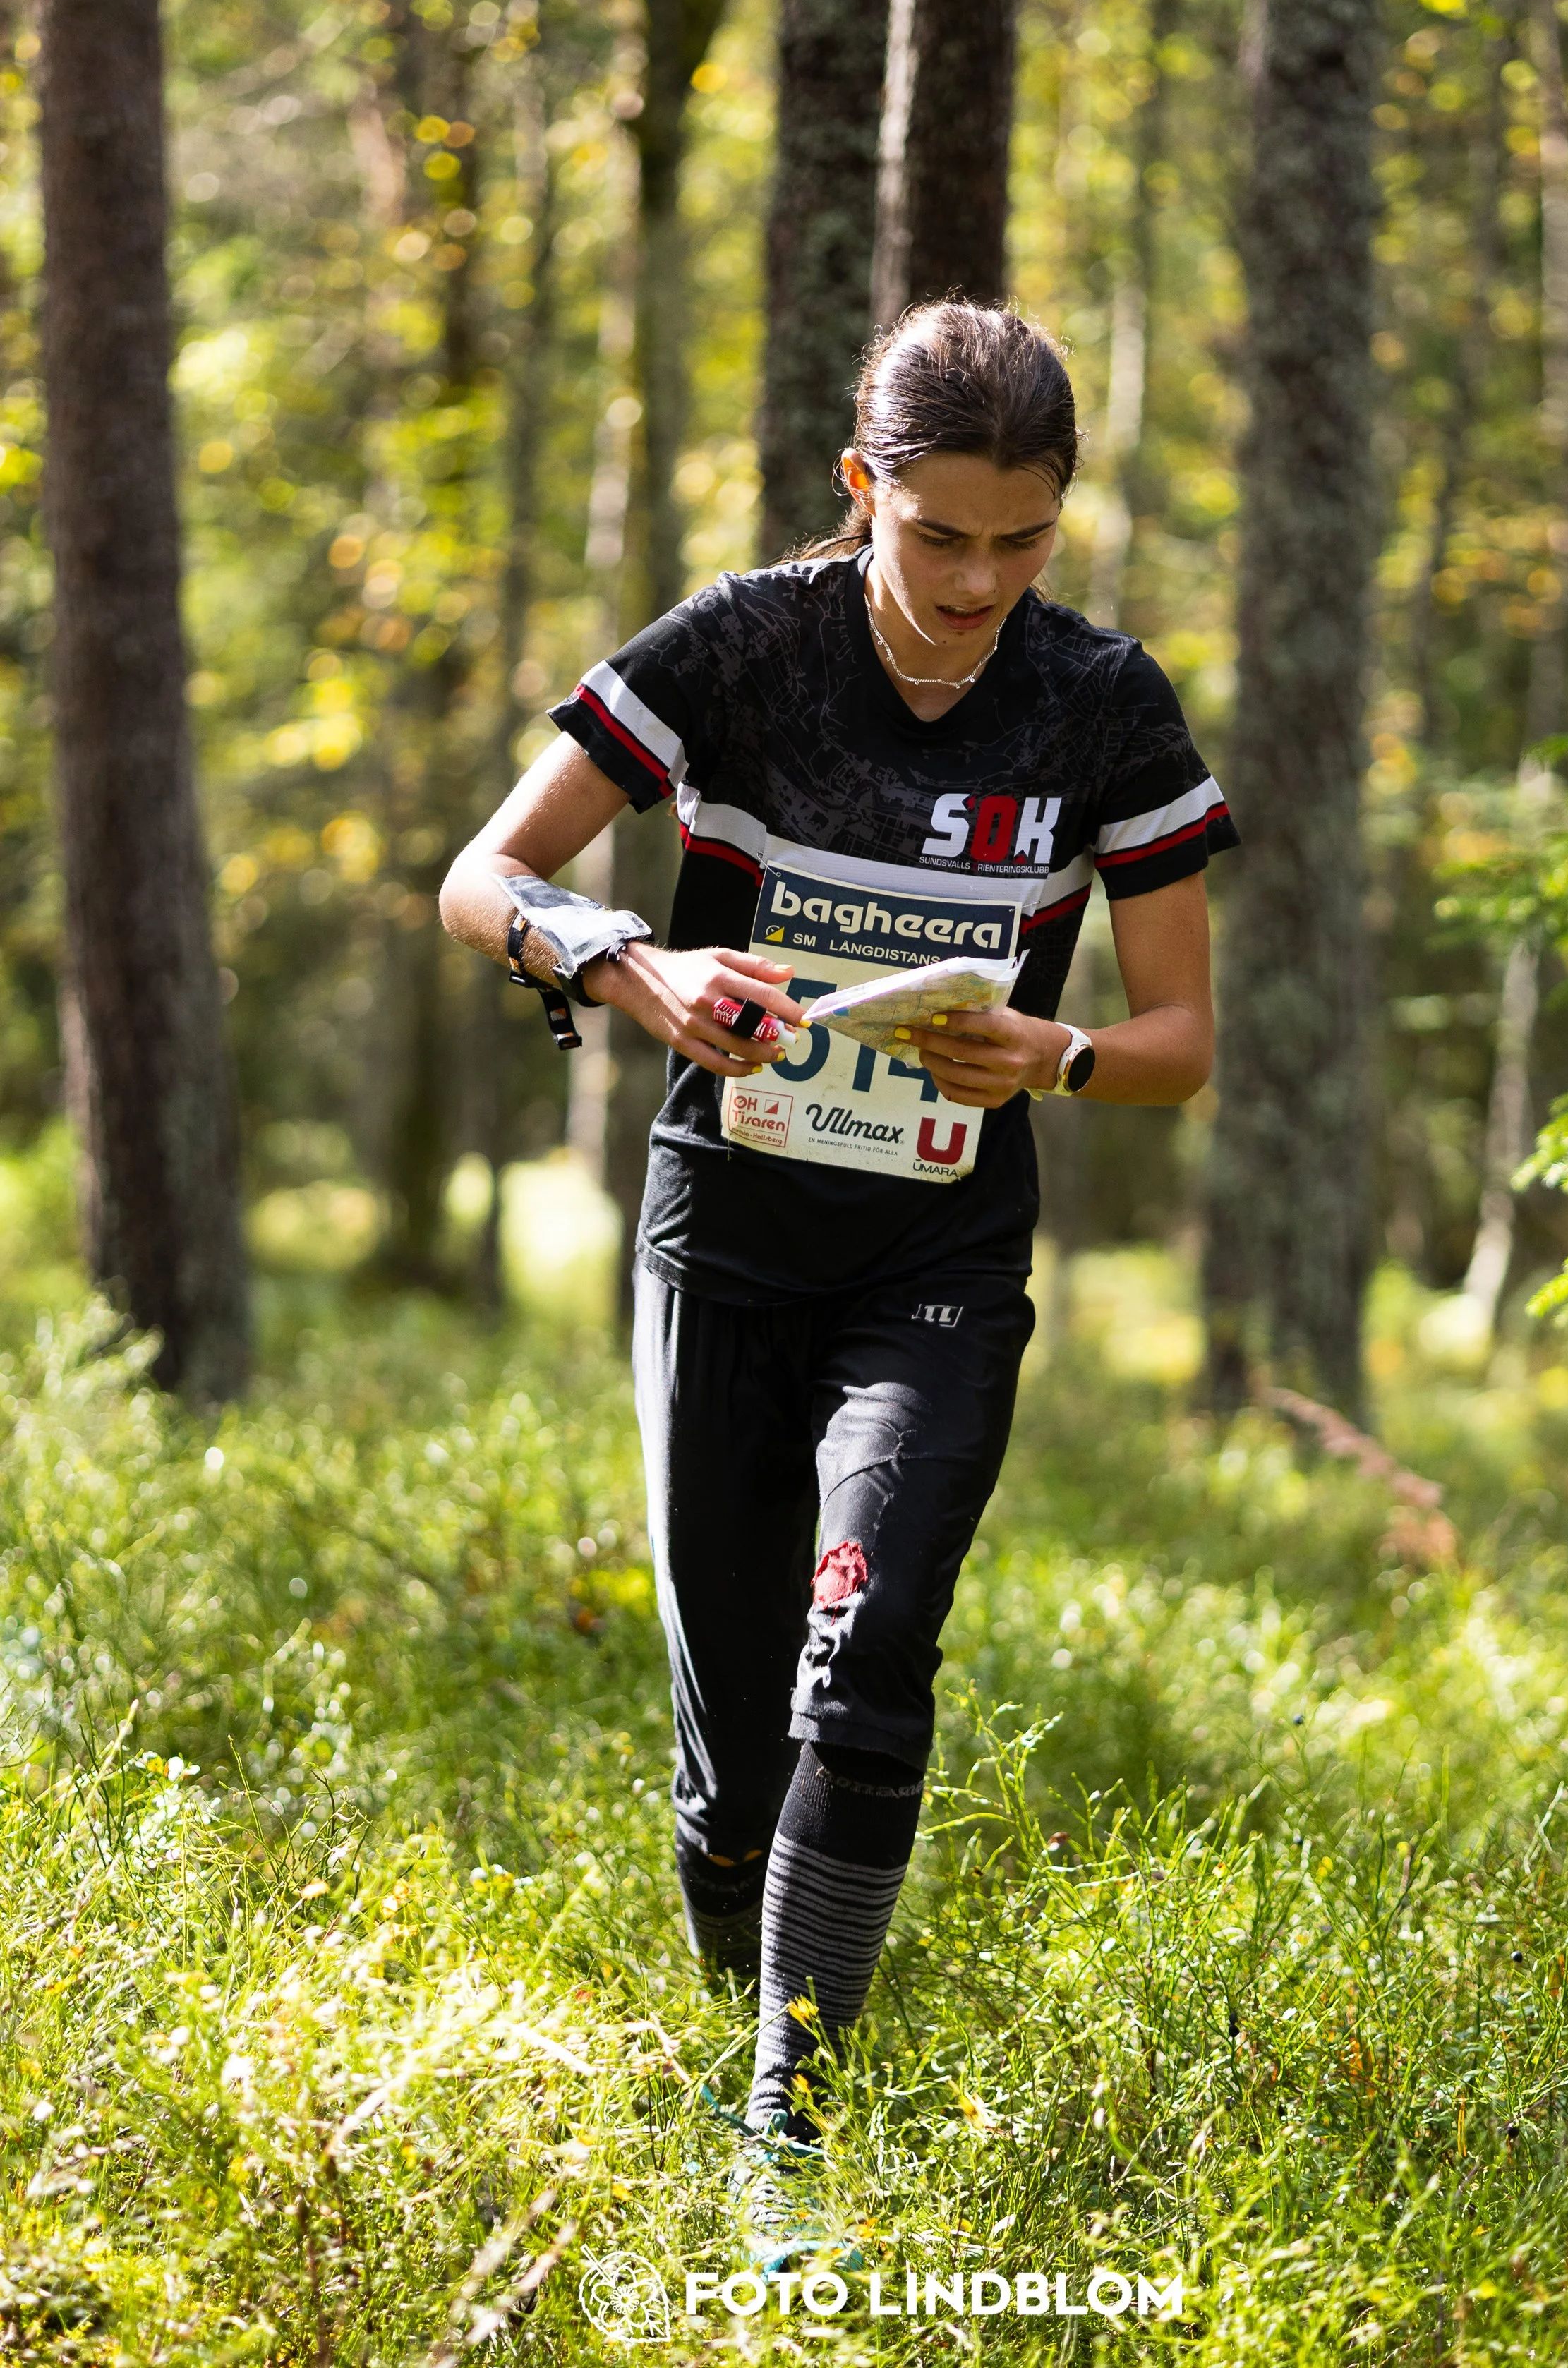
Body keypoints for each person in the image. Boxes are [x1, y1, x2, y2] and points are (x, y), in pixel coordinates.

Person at [439, 301, 1237, 2229]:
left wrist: (1051, 1051)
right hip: (725, 1232)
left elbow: (1176, 1042)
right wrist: (632, 966)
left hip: (940, 1255)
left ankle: (788, 2131)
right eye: (938, 533)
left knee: (862, 1659)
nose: (976, 583)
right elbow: (486, 877)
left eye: (1021, 540)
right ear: (858, 488)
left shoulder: (1102, 704)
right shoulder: (735, 649)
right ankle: (744, 1926)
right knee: (730, 1767)